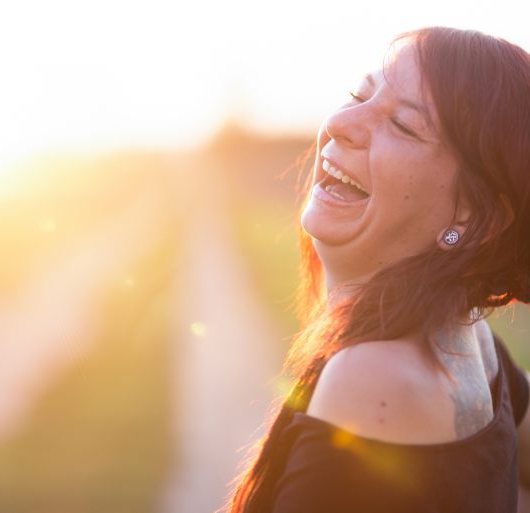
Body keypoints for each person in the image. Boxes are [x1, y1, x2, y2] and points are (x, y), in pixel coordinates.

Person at [225, 26, 530, 513]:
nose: (342, 123)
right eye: (358, 95)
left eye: (404, 125)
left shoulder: (375, 382)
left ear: (472, 217)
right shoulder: (471, 345)